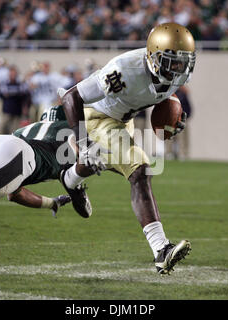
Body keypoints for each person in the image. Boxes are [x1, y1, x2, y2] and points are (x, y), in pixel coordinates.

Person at [59, 22, 195, 275]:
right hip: (97, 116)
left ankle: (70, 177)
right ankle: (161, 250)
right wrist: (83, 141)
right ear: (153, 56)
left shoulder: (181, 73)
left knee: (112, 164)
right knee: (140, 170)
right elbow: (70, 97)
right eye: (171, 62)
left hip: (123, 120)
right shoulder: (124, 69)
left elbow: (164, 93)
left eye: (182, 62)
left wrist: (174, 116)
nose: (177, 68)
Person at [0, 65, 29, 134]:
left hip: (17, 111)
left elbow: (24, 96)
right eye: (11, 74)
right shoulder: (5, 84)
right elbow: (2, 95)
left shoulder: (20, 84)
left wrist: (24, 107)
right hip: (7, 110)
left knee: (14, 130)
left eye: (14, 74)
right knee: (2, 128)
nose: (13, 75)